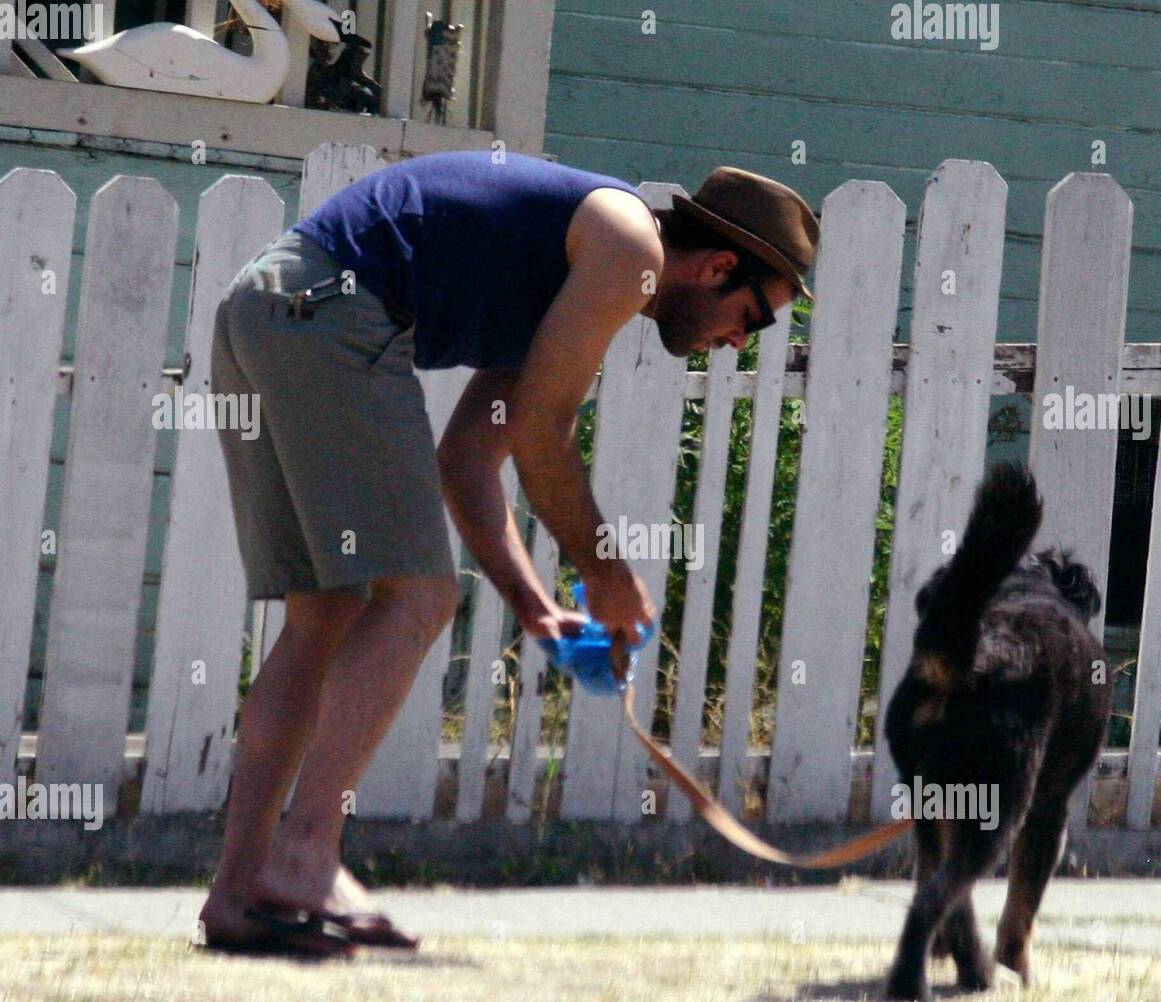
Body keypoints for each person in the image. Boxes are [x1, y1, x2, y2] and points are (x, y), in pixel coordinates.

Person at [197, 149, 819, 956]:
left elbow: (469, 459)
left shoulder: (569, 267)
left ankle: (239, 893)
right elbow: (541, 437)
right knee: (418, 598)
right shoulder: (626, 249)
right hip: (328, 315)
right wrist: (605, 570)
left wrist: (539, 608)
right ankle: (307, 851)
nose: (741, 342)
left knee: (323, 615)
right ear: (719, 265)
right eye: (755, 315)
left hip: (263, 309)